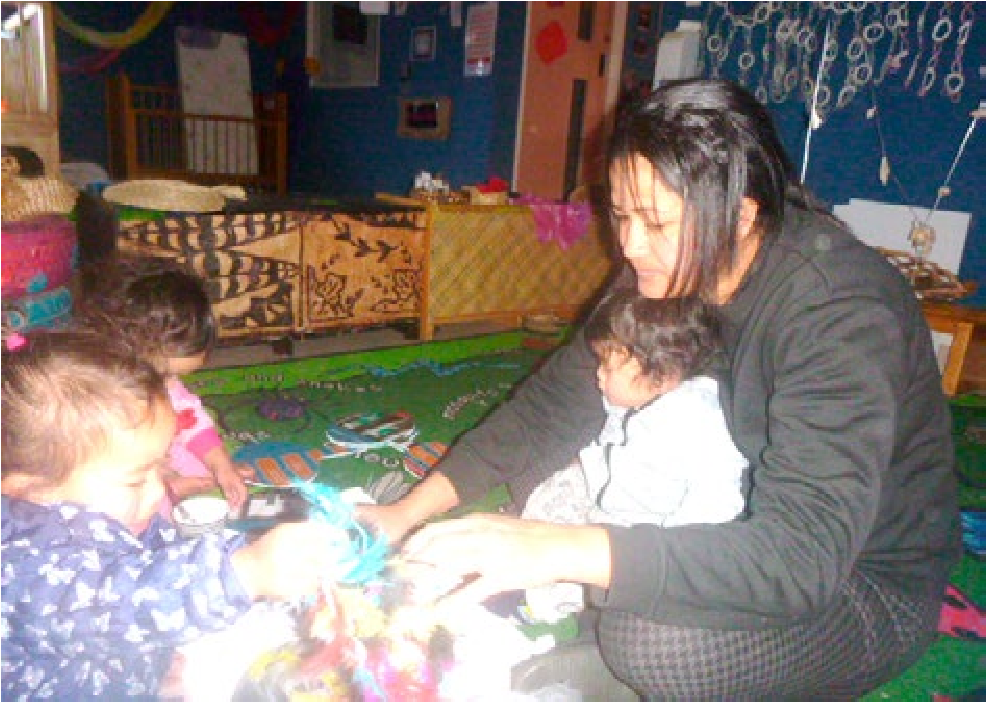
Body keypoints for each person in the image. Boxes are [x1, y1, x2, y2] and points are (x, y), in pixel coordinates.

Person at [358, 78, 960, 699]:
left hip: (859, 581)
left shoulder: (839, 311)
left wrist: (567, 551)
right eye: (620, 215)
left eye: (653, 222)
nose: (628, 246)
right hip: (728, 500)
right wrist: (405, 512)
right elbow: (552, 406)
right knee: (547, 459)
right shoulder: (676, 258)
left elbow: (800, 561)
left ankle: (628, 664)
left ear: (741, 216)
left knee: (649, 639)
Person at [0, 327, 349, 698]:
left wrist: (247, 548)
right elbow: (129, 601)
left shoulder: (114, 514)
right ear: (23, 486)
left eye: (162, 467)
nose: (158, 490)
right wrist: (244, 573)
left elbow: (168, 559)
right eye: (135, 480)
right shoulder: (21, 565)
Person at [521, 289, 748, 625]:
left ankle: (548, 599)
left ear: (660, 374)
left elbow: (717, 502)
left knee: (565, 572)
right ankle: (533, 554)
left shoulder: (696, 419)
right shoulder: (634, 400)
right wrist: (584, 467)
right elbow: (612, 445)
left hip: (649, 535)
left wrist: (671, 559)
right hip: (611, 500)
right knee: (544, 492)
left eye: (607, 366)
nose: (598, 374)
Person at [74, 253, 249, 515]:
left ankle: (181, 480)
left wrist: (222, 465)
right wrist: (165, 481)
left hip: (151, 450)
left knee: (203, 457)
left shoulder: (165, 386)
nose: (171, 385)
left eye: (177, 376)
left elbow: (191, 420)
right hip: (110, 465)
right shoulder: (102, 397)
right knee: (139, 505)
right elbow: (105, 467)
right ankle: (168, 491)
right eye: (164, 375)